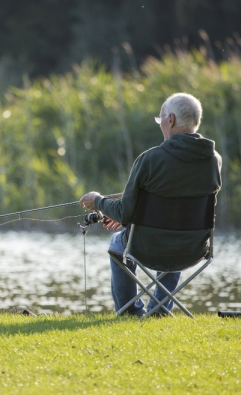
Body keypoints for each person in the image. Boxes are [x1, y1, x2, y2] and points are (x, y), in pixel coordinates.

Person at [79, 93, 222, 316]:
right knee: (176, 235)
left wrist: (97, 200)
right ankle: (160, 310)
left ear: (171, 120)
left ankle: (129, 312)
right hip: (193, 247)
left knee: (119, 243)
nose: (161, 124)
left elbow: (125, 212)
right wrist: (127, 217)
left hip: (147, 246)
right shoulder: (214, 160)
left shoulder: (150, 159)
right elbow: (173, 210)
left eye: (161, 119)